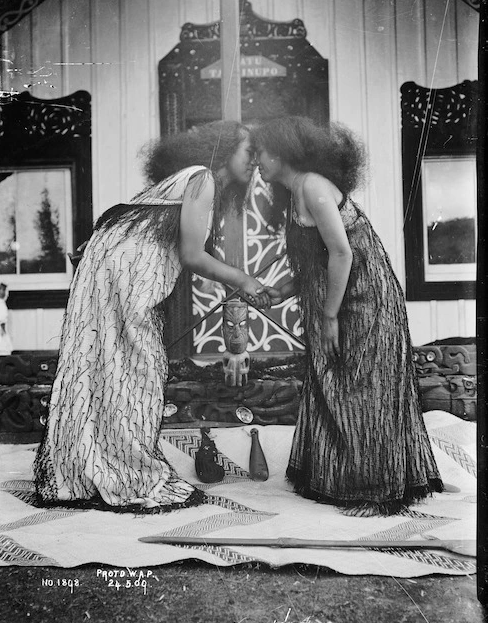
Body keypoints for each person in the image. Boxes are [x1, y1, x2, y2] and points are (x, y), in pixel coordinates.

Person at [34, 121, 269, 512]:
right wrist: (244, 279)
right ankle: (124, 469)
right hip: (123, 270)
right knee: (135, 366)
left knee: (115, 365)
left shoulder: (199, 182)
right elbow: (193, 256)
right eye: (249, 153)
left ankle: (101, 461)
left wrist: (230, 278)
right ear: (225, 148)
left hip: (115, 265)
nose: (254, 164)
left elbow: (191, 251)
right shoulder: (201, 177)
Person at [253, 116, 443, 516]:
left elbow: (343, 254)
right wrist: (278, 292)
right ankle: (343, 480)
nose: (257, 161)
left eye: (261, 152)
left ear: (283, 151)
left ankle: (376, 491)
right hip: (337, 300)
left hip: (364, 302)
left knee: (362, 389)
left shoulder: (314, 186)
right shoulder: (295, 192)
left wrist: (329, 317)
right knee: (334, 385)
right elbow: (313, 264)